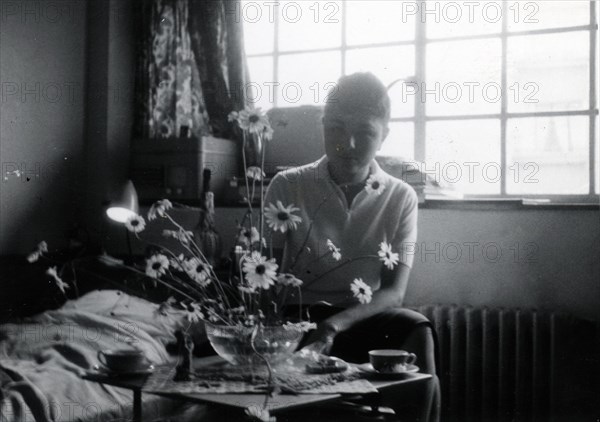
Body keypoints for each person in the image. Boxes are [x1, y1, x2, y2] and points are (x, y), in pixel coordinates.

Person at [265, 72, 440, 421]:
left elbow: (394, 293)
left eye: (365, 133)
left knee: (417, 330)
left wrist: (334, 326)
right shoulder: (287, 185)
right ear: (323, 128)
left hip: (362, 318)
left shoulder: (400, 196)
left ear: (384, 135)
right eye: (336, 130)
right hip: (299, 319)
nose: (349, 144)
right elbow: (265, 277)